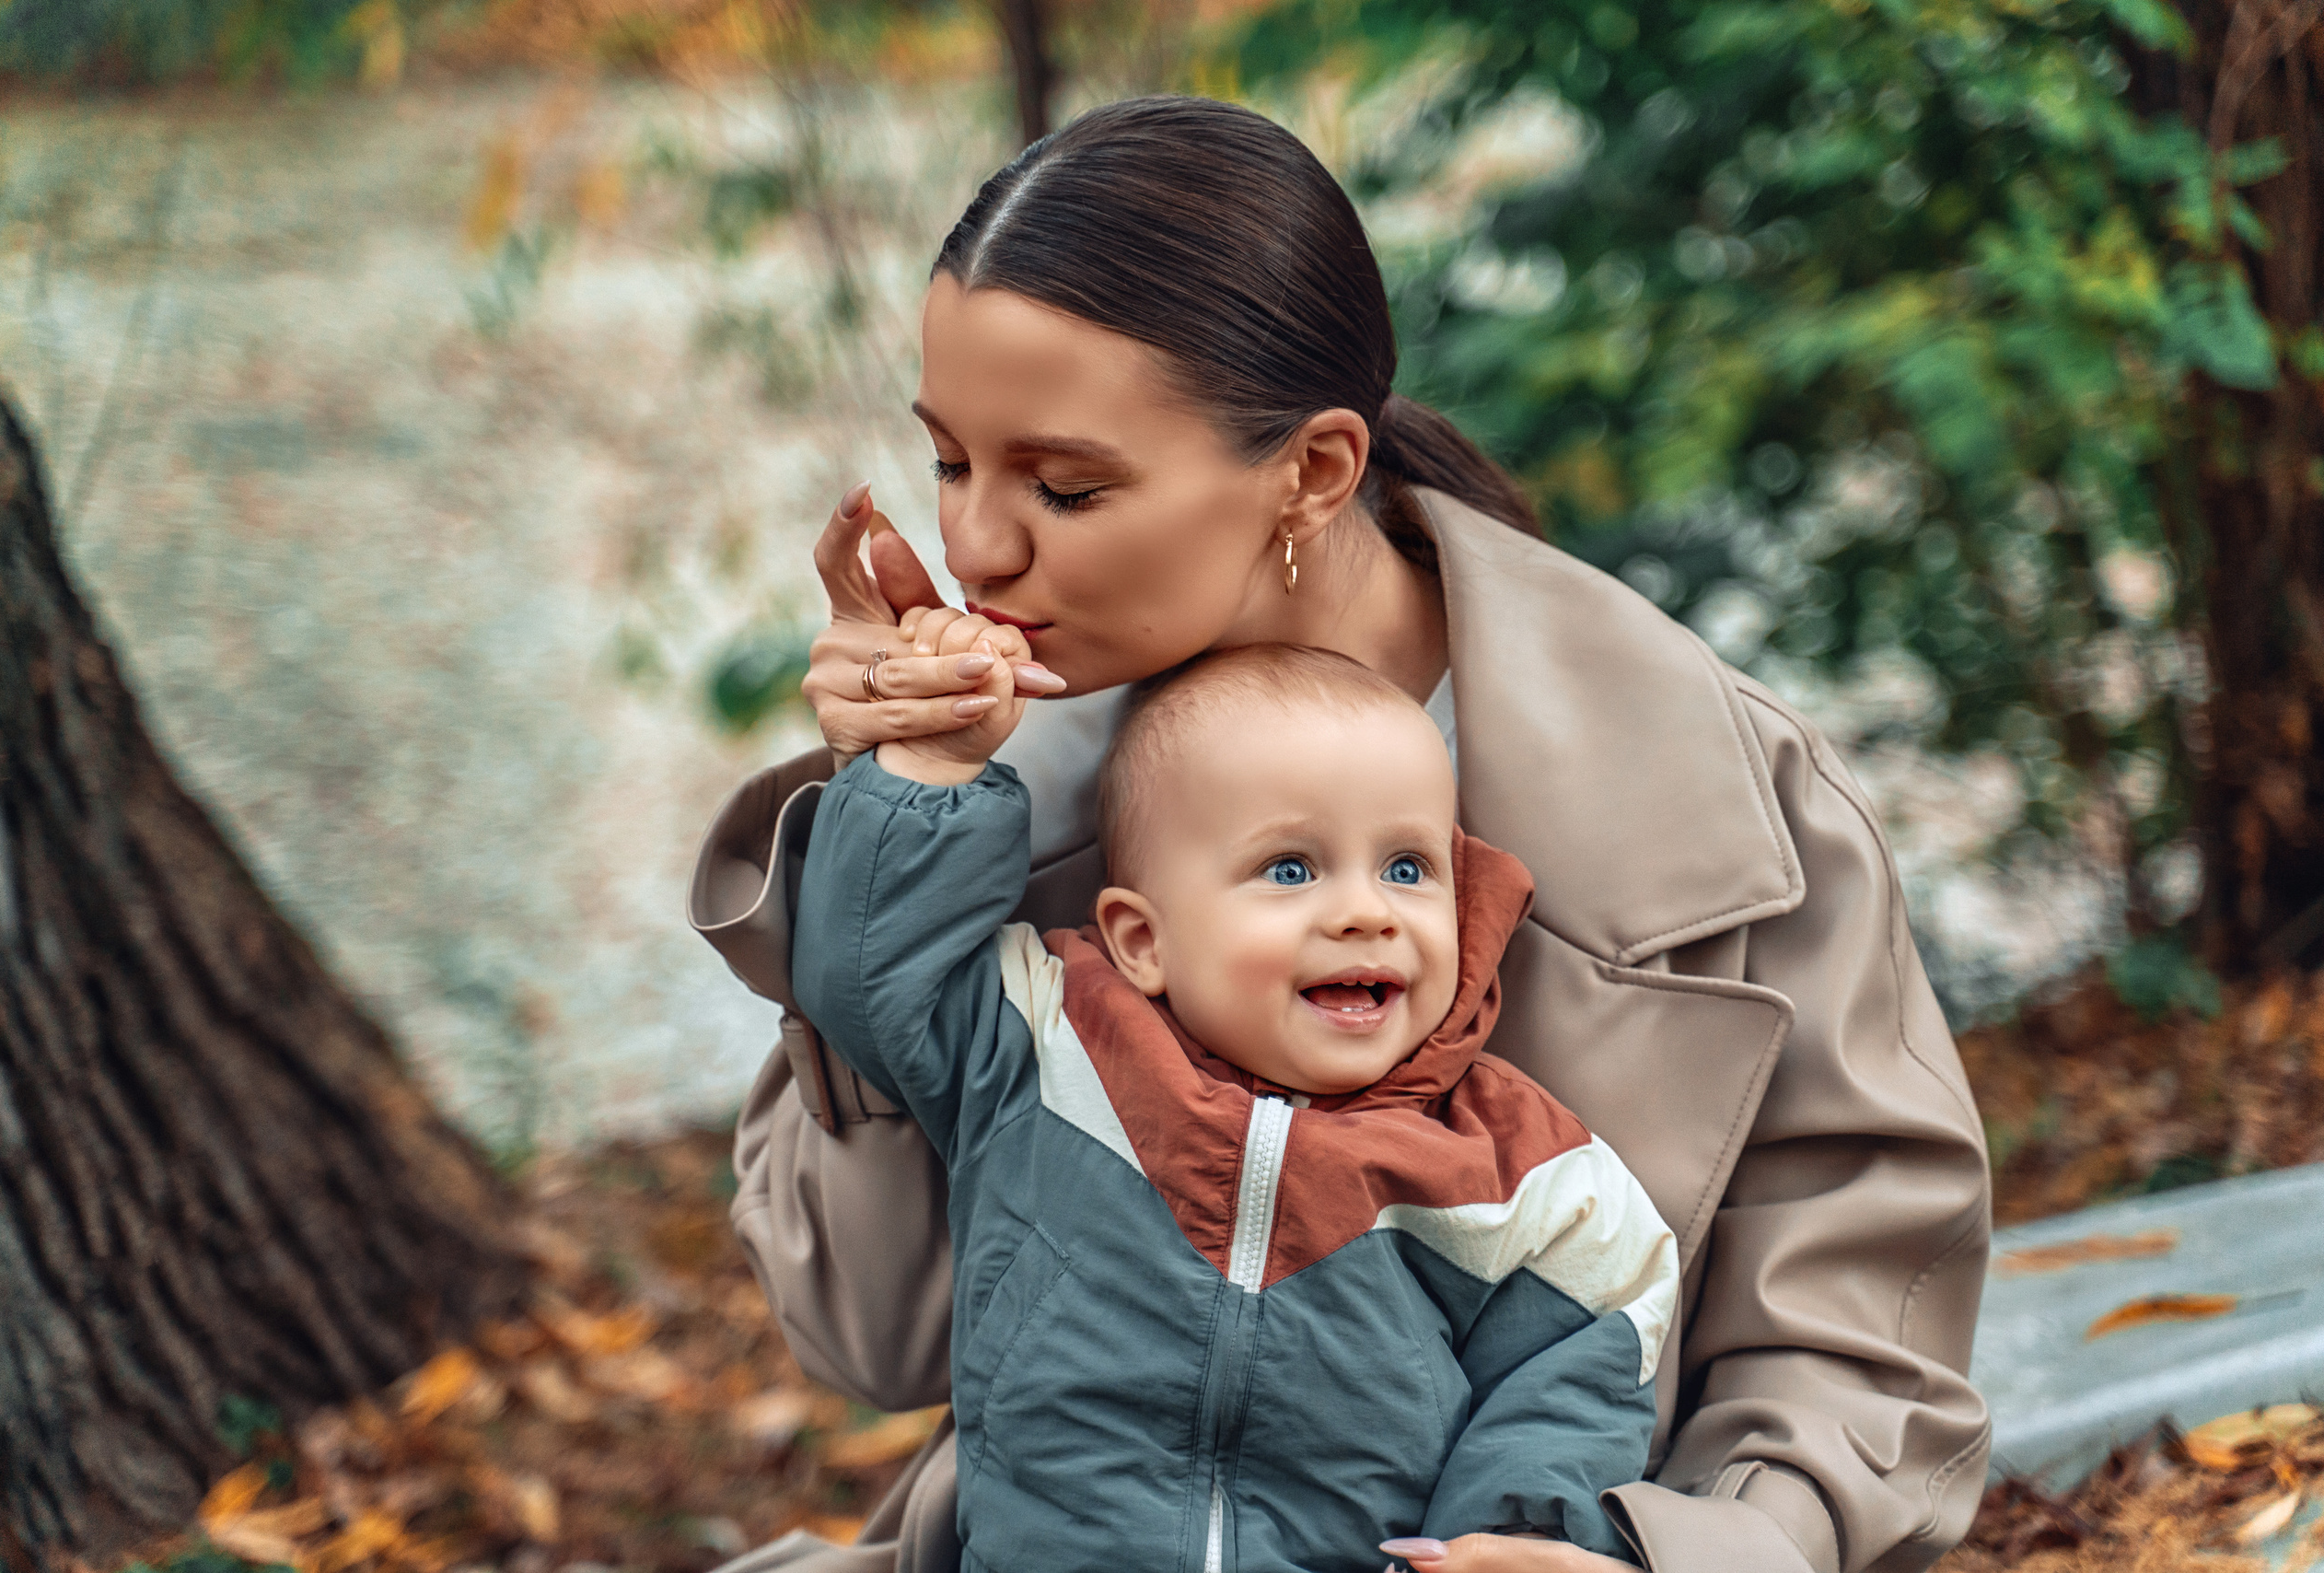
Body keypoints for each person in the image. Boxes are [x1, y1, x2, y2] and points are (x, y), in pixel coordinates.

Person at [690, 95, 1991, 1573]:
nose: (979, 550)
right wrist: (893, 813)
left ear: (1312, 470)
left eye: (1064, 485)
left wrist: (1657, 1560)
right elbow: (872, 1334)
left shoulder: (1727, 794)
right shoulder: (1016, 799)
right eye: (949, 463)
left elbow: (1866, 1357)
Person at [788, 639, 1680, 1571]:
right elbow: (872, 979)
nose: (1366, 911)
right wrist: (930, 770)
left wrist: (1510, 1536)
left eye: (1408, 867)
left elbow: (1576, 1359)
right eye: (1291, 869)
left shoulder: (1511, 1164)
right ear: (1142, 940)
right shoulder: (1049, 1043)